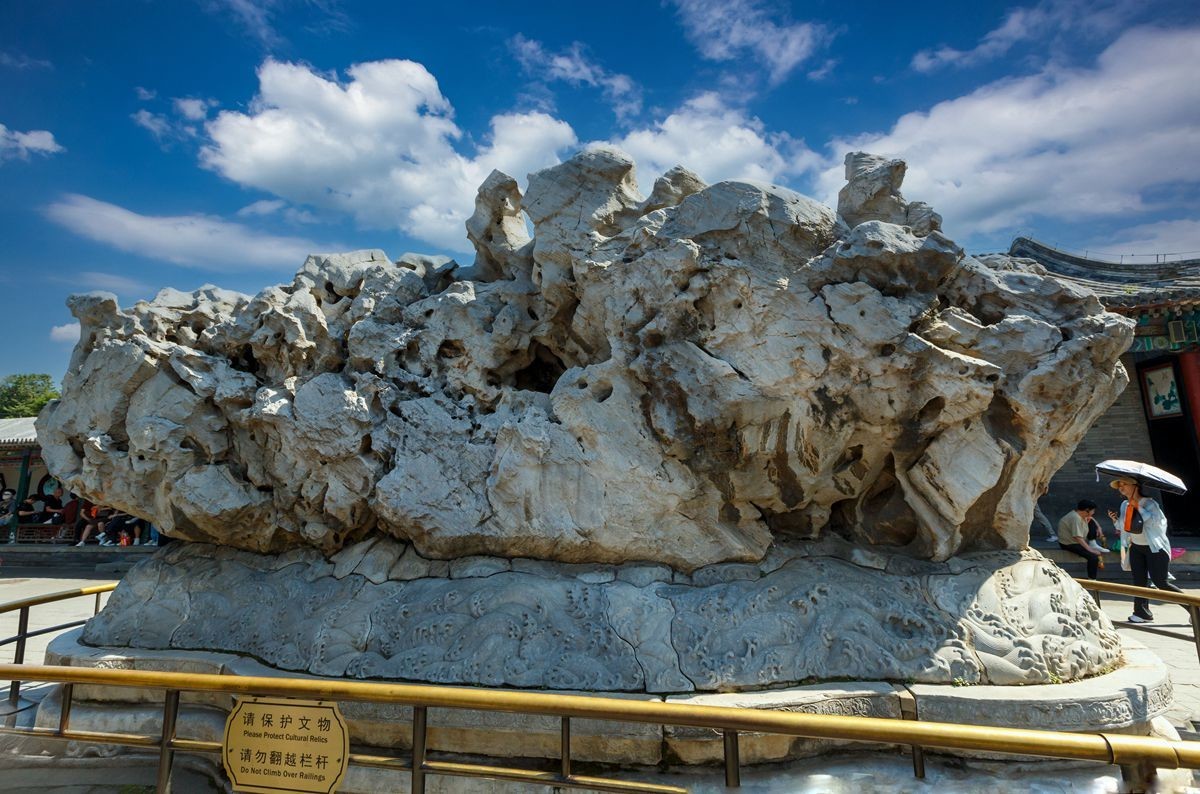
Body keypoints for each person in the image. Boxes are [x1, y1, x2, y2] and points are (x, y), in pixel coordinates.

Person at [1108, 477, 1182, 623]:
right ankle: (1141, 612)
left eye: (1124, 484)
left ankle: (1194, 607)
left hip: (1155, 548)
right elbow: (1125, 527)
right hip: (1136, 547)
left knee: (1161, 582)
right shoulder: (1124, 504)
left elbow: (1158, 524)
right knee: (1139, 582)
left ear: (1135, 486)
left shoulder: (1150, 503)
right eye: (1119, 486)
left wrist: (1138, 507)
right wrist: (1115, 520)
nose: (1121, 488)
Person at [1057, 500, 1104, 579]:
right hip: (1069, 544)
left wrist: (1098, 527)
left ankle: (1093, 543)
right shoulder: (1075, 518)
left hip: (1077, 540)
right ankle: (1092, 580)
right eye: (1093, 510)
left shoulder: (1080, 514)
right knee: (1093, 557)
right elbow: (1077, 537)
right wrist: (1090, 550)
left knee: (1091, 522)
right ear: (1087, 510)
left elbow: (1091, 518)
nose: (1093, 512)